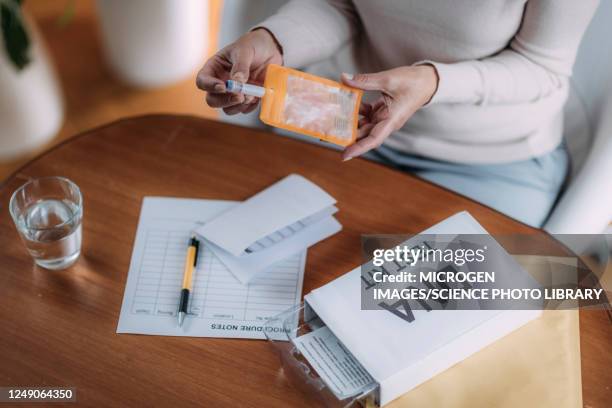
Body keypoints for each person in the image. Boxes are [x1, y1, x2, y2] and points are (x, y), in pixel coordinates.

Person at [196, 0, 599, 227]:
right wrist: (273, 41)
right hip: (350, 121)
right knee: (252, 243)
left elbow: (542, 66)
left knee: (421, 314)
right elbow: (341, 5)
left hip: (492, 160)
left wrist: (432, 82)